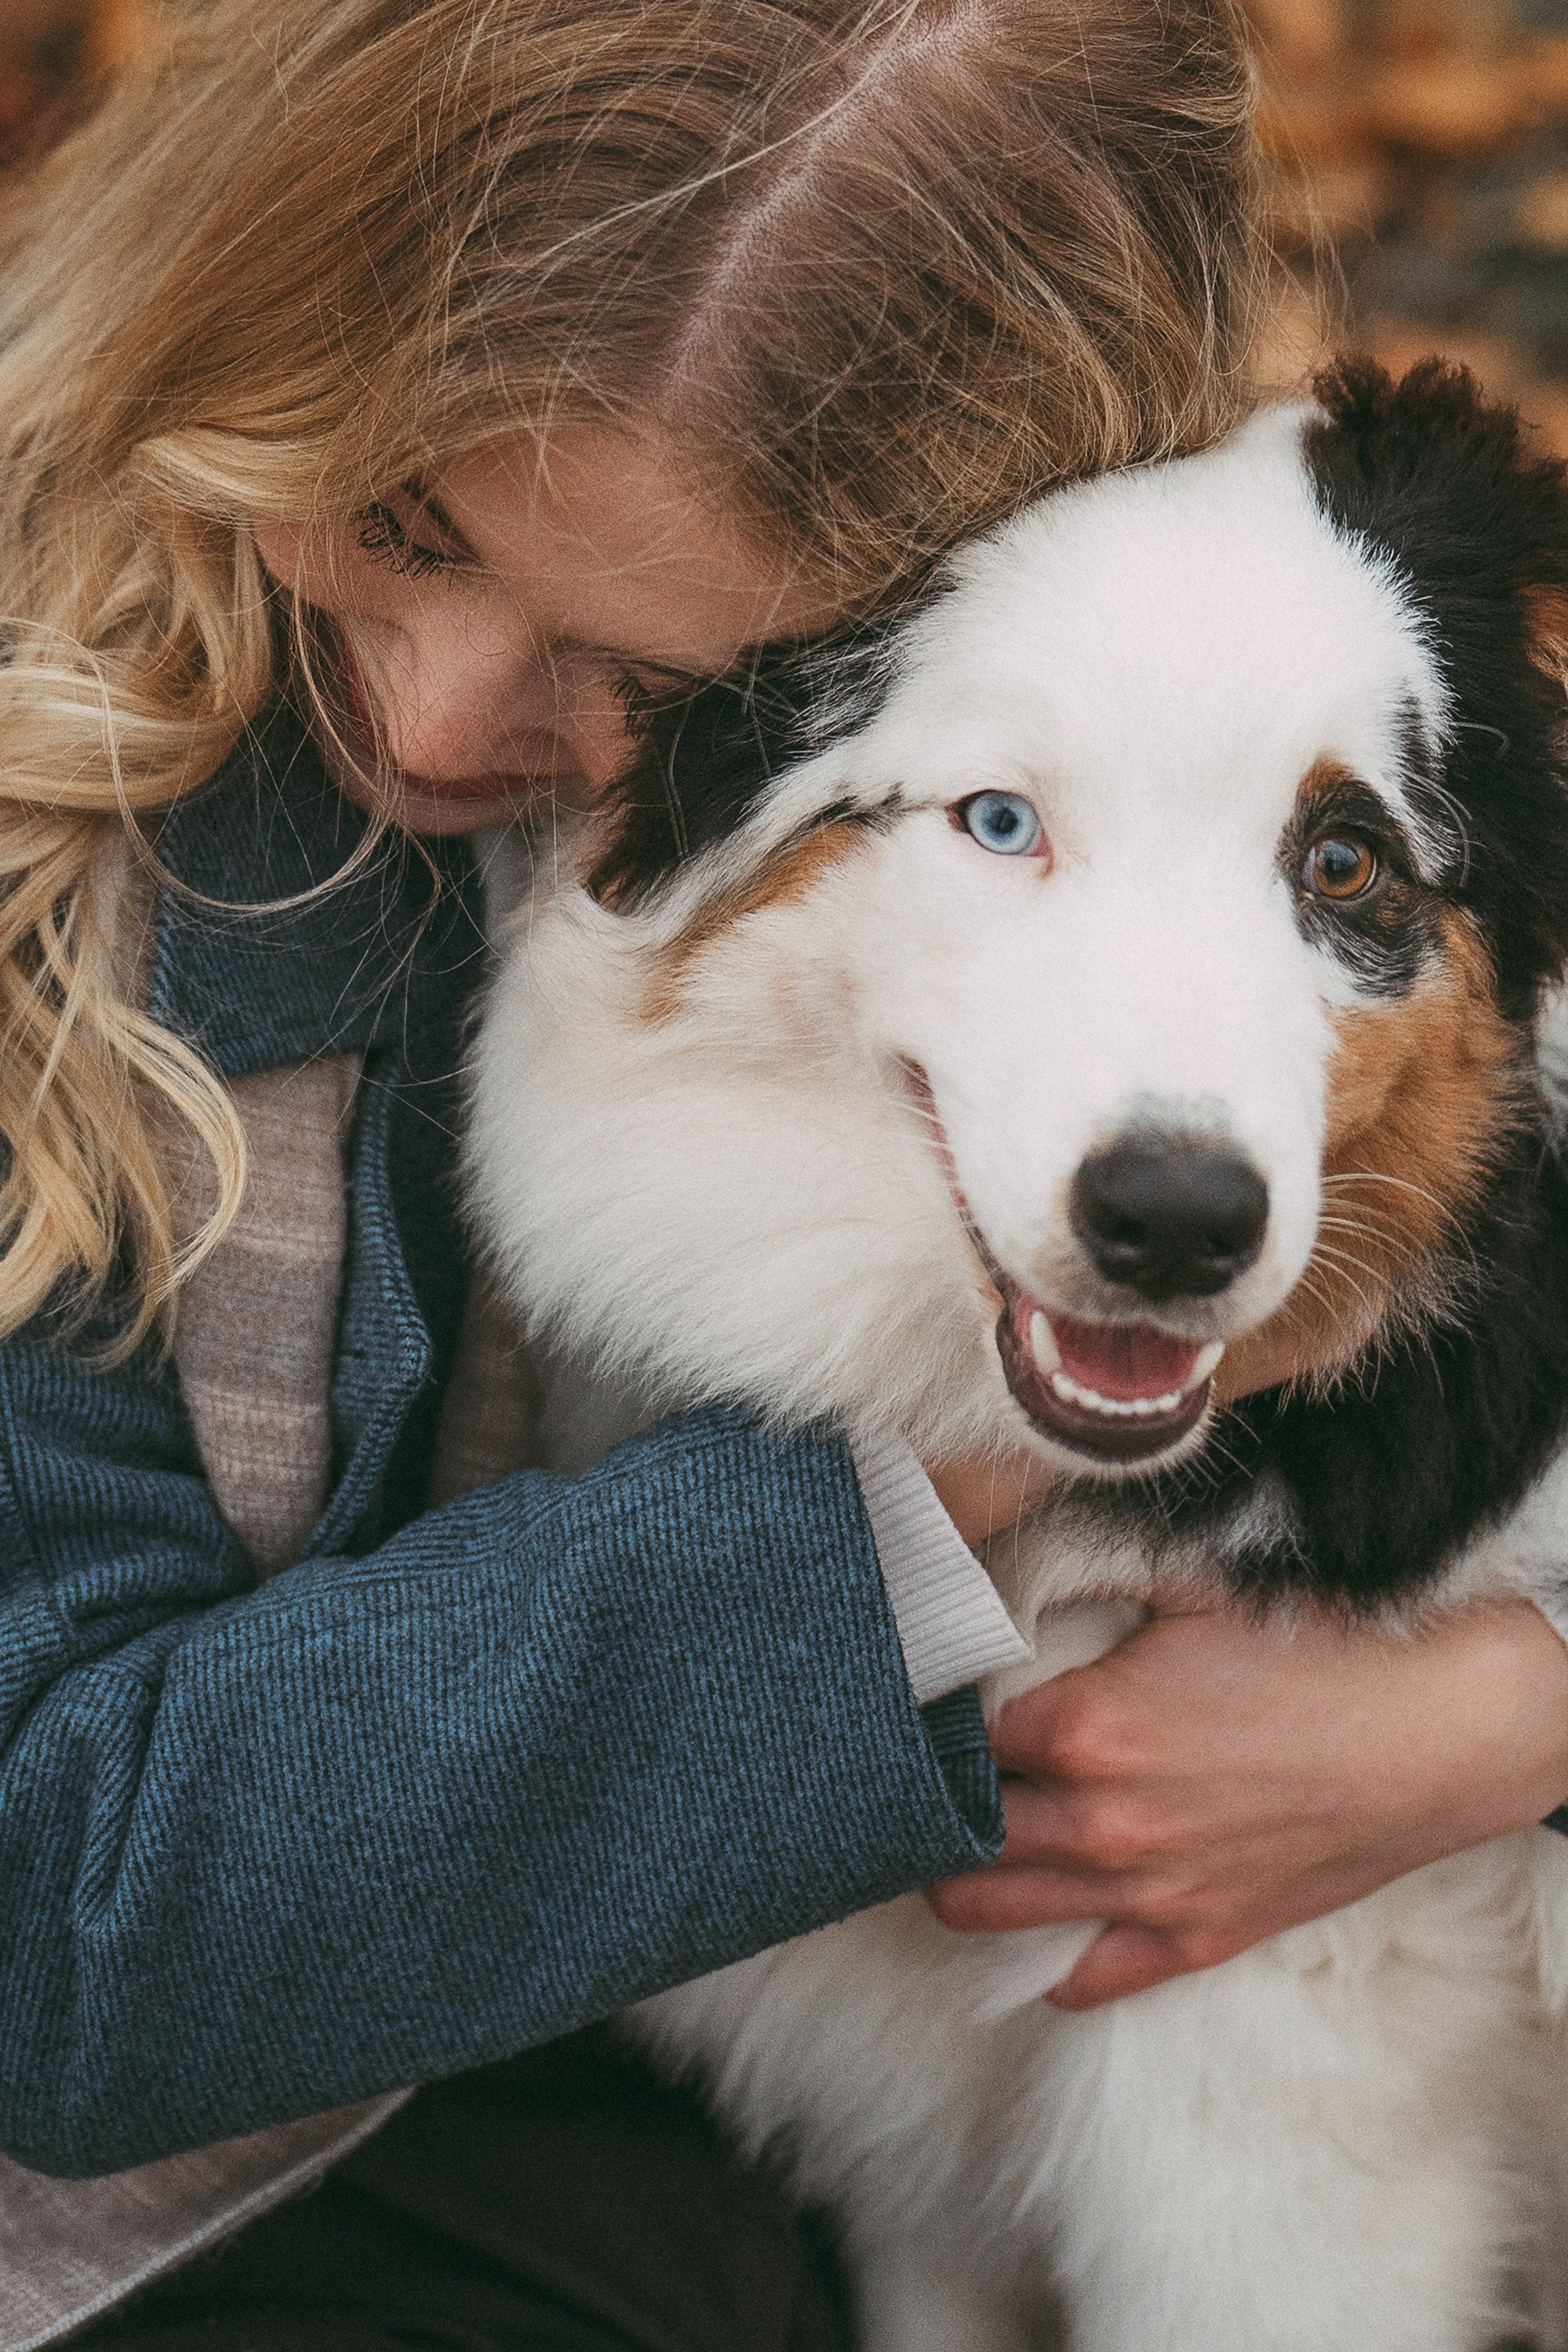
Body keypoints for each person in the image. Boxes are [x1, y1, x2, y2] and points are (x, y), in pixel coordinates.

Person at [0, 2, 1563, 2347]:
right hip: (195, 2138)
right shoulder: (118, 803)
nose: (433, 719)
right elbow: (63, 1923)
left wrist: (1508, 1713)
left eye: (641, 664)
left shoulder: (1155, 692)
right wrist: (944, 1476)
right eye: (405, 518)